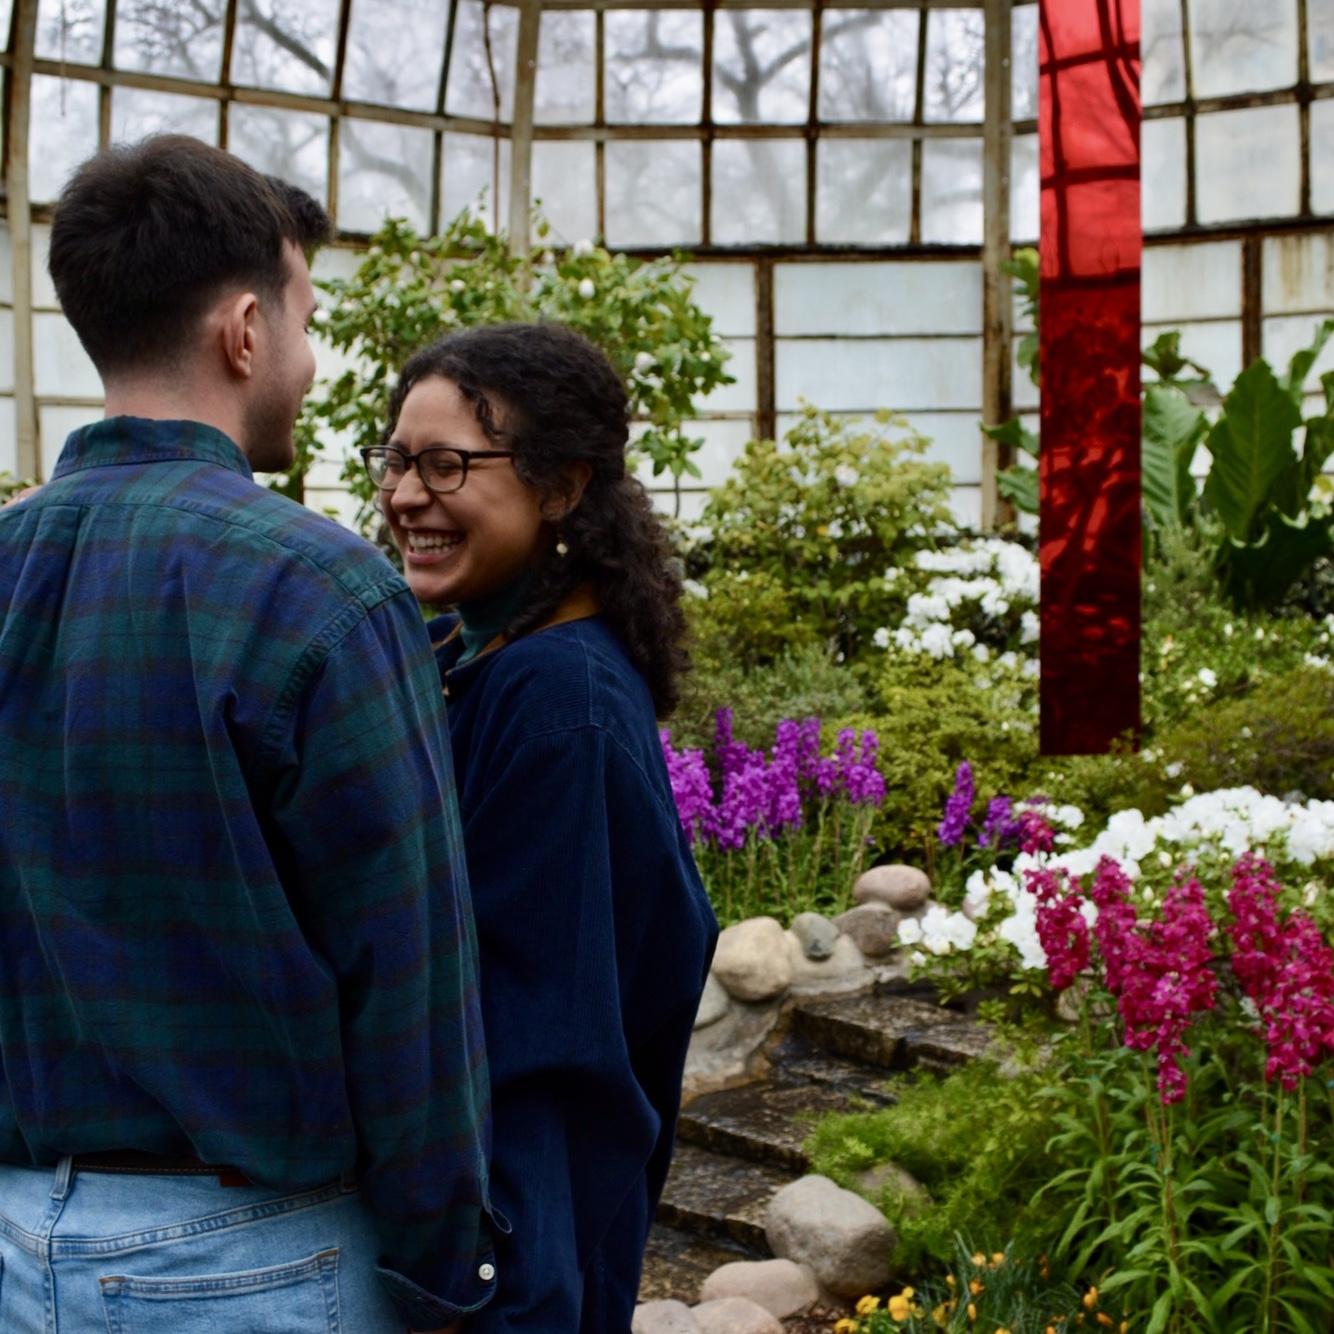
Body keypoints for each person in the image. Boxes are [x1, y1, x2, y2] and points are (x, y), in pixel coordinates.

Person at [0, 136, 498, 1333]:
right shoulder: (321, 590)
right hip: (254, 1259)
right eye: (304, 317)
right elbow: (410, 974)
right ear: (242, 331)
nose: (310, 356)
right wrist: (449, 1269)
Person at [365, 322, 719, 1331]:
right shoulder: (482, 655)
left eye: (446, 464)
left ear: (561, 486)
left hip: (514, 1279)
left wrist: (515, 1299)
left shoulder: (558, 701)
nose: (404, 496)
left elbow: (547, 1061)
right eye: (395, 460)